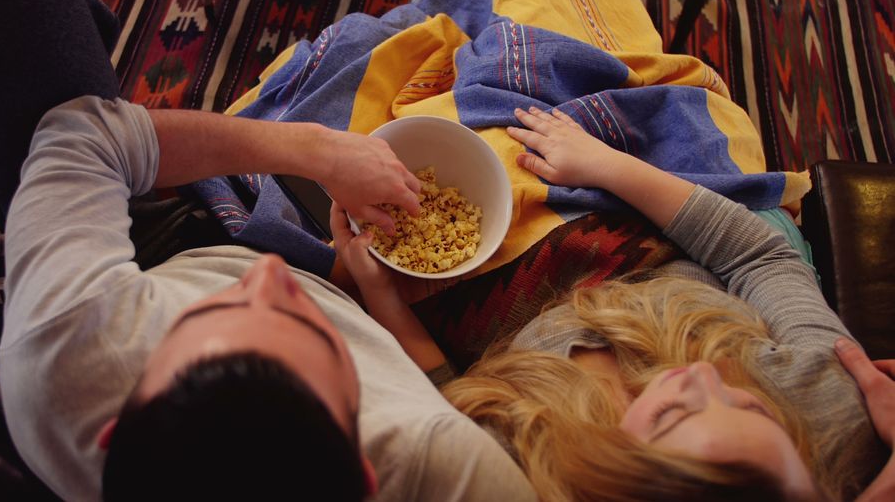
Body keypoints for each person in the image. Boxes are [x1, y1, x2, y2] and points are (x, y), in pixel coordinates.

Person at [0, 0, 538, 502]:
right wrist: (370, 294)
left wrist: (316, 151)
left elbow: (85, 136)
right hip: (357, 288)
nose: (268, 277)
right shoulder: (436, 461)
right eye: (310, 330)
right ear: (364, 477)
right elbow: (447, 391)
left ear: (112, 435)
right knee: (368, 50)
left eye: (216, 314)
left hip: (151, 252)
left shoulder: (64, 361)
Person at [332, 106, 889, 501]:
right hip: (663, 234)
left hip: (498, 302)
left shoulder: (516, 468)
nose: (701, 376)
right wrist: (603, 165)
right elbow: (758, 258)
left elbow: (449, 391)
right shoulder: (832, 411)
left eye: (674, 413)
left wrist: (383, 299)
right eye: (752, 407)